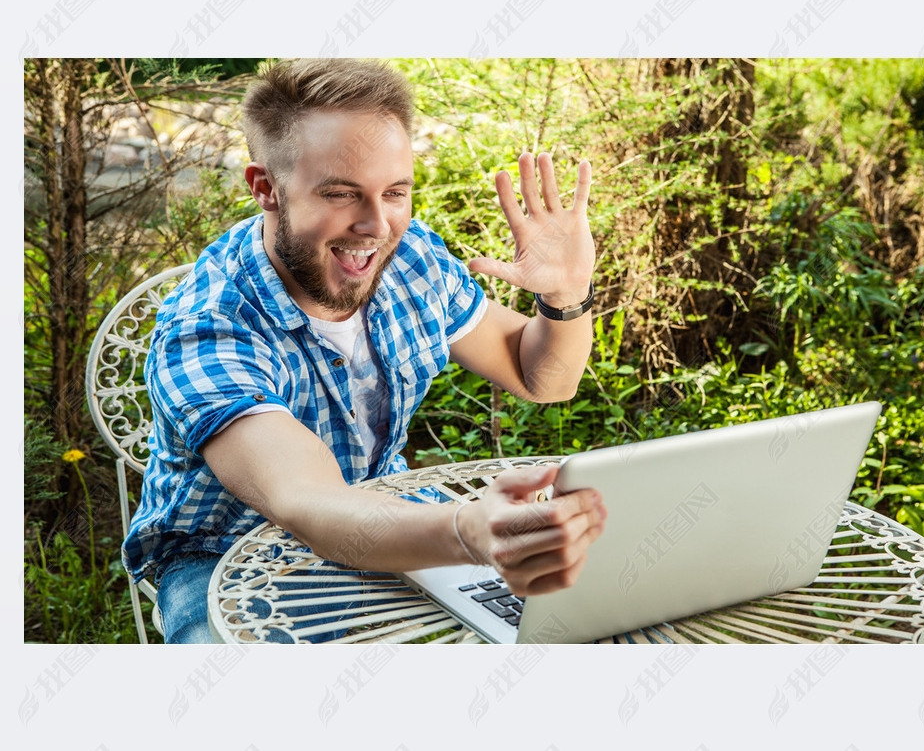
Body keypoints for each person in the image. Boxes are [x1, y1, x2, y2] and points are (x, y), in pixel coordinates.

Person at [123, 58, 605, 643]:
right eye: (341, 194)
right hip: (223, 556)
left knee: (585, 620)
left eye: (395, 192)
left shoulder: (411, 260)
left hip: (393, 515)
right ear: (265, 189)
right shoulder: (209, 326)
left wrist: (566, 296)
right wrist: (467, 531)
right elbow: (309, 505)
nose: (376, 226)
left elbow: (542, 378)